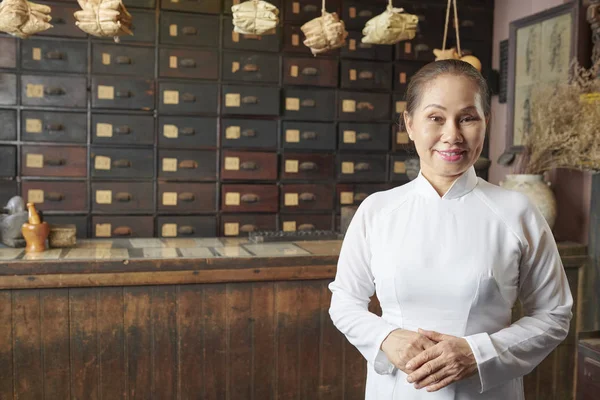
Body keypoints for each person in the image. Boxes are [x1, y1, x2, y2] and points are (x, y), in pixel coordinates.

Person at [328, 59, 573, 399]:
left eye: (468, 117)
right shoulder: (377, 210)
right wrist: (386, 338)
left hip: (488, 391)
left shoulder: (517, 211)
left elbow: (554, 314)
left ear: (486, 123)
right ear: (410, 124)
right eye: (436, 118)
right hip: (396, 389)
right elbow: (344, 302)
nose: (452, 135)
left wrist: (479, 353)